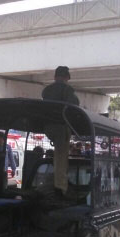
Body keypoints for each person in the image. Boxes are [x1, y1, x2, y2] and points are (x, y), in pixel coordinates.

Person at [42, 66, 79, 195]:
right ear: (66, 77)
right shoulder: (66, 90)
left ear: (54, 77)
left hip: (48, 126)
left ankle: (58, 183)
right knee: (61, 157)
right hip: (61, 126)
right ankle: (60, 188)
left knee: (58, 155)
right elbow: (74, 105)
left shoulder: (46, 90)